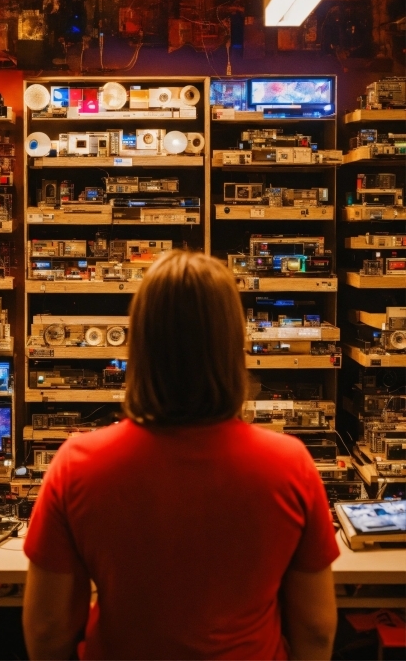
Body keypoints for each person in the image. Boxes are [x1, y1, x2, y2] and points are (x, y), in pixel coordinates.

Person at [23, 251, 339, 660]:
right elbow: (315, 631)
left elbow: (48, 631)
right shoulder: (290, 463)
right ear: (231, 344)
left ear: (141, 341)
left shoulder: (76, 463)